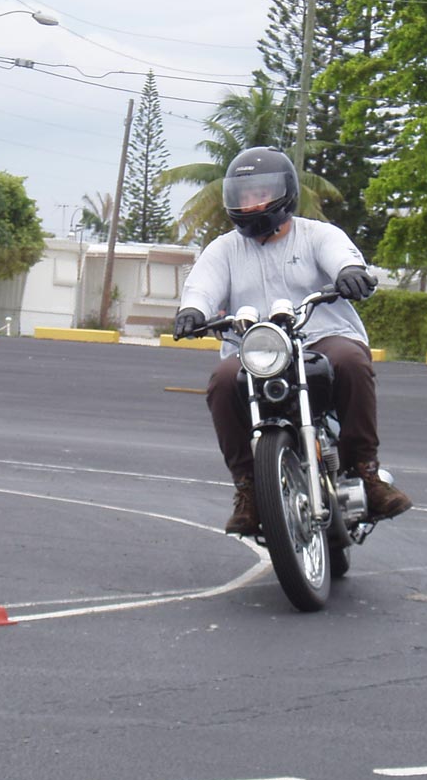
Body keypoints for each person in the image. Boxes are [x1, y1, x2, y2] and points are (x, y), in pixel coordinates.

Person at [174, 146, 412, 535]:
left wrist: (350, 272)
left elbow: (341, 255)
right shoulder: (224, 249)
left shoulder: (317, 234)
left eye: (261, 193)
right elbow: (202, 286)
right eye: (244, 195)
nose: (253, 203)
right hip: (257, 351)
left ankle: (366, 472)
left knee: (351, 362)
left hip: (321, 338)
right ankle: (248, 488)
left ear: (284, 193)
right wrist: (192, 311)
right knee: (221, 382)